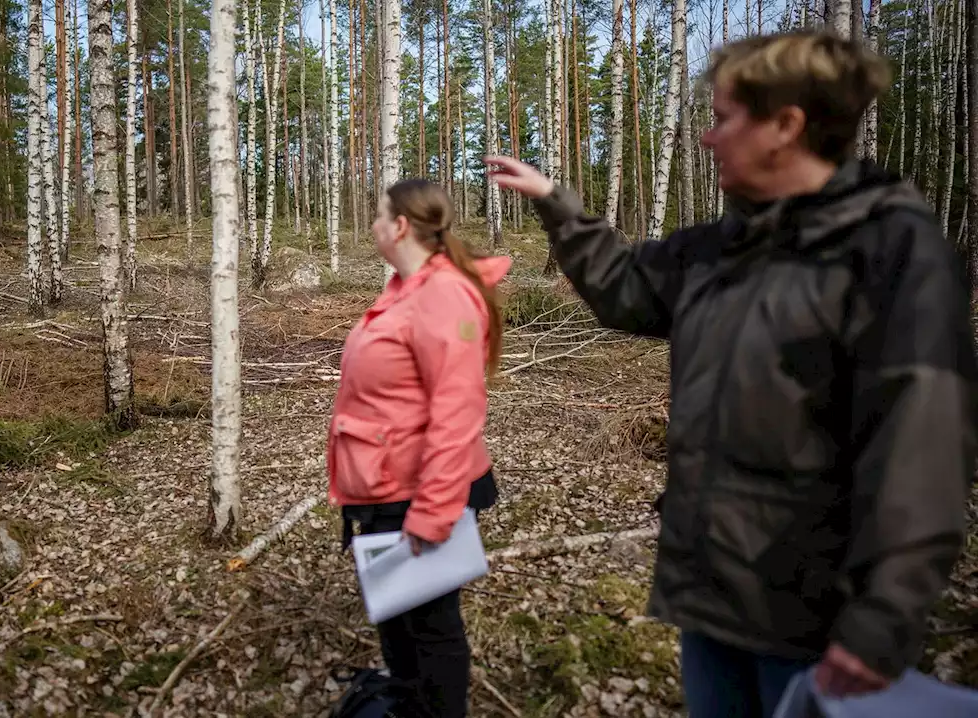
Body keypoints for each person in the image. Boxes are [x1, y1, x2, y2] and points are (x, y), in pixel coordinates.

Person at [486, 30, 977, 718]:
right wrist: (554, 201)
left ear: (786, 126)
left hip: (817, 621)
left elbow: (922, 451)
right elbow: (626, 288)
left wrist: (882, 620)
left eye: (724, 119)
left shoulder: (892, 254)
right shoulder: (724, 247)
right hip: (715, 595)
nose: (709, 139)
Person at [327, 179, 509, 718]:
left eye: (379, 216)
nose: (372, 226)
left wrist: (433, 514)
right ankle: (408, 706)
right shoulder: (405, 286)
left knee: (431, 627)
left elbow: (457, 415)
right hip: (384, 484)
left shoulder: (443, 293)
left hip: (418, 492)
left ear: (400, 226)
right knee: (397, 616)